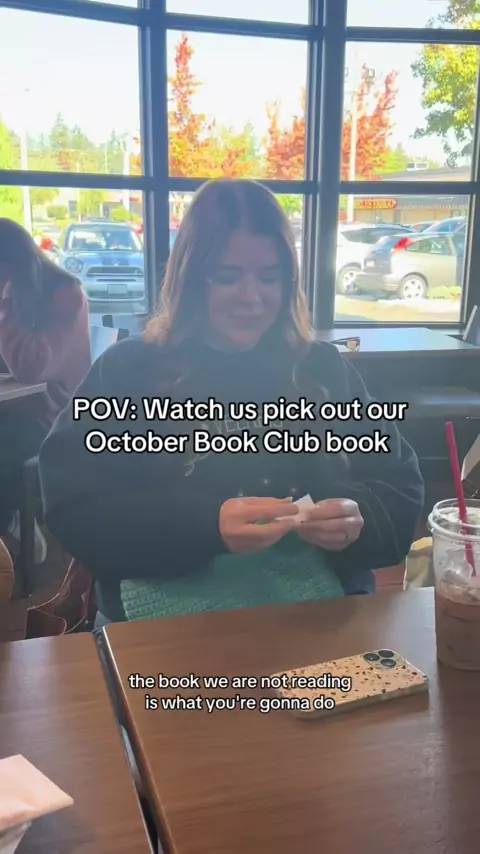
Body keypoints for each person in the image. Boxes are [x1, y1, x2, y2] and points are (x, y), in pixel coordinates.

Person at [39, 179, 424, 625]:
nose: (251, 297)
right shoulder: (128, 372)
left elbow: (400, 487)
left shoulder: (323, 370)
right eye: (227, 276)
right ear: (189, 279)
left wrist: (358, 518)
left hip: (319, 613)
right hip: (164, 625)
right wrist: (206, 527)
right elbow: (73, 508)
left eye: (269, 277)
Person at [0, 218, 90, 581]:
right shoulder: (19, 293)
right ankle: (15, 519)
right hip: (16, 410)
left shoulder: (65, 294)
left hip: (54, 418)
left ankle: (11, 530)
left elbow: (31, 366)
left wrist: (4, 306)